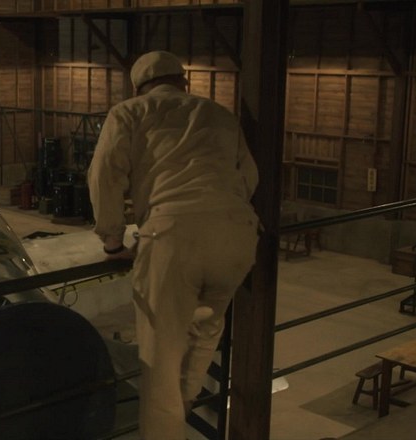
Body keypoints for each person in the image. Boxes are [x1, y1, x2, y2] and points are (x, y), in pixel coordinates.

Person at [87, 51, 259, 439]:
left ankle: (166, 427)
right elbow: (249, 176)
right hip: (237, 235)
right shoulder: (218, 113)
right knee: (204, 333)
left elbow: (104, 175)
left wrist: (112, 241)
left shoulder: (128, 112)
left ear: (139, 86)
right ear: (183, 81)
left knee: (160, 359)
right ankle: (179, 413)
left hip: (173, 237)